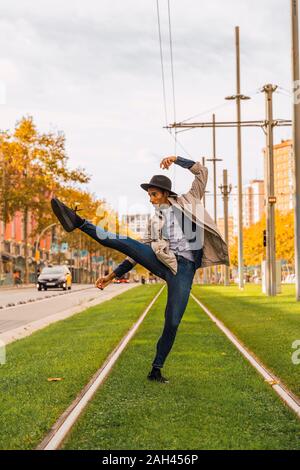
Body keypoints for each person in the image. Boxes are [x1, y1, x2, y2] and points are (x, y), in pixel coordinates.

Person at [51, 155, 229, 383]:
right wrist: (112, 276)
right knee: (127, 242)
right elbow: (135, 254)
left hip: (184, 271)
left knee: (172, 321)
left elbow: (202, 172)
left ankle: (156, 369)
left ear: (165, 193)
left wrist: (177, 160)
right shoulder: (154, 223)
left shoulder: (189, 199)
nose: (151, 199)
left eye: (154, 194)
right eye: (149, 196)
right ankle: (79, 222)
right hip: (165, 261)